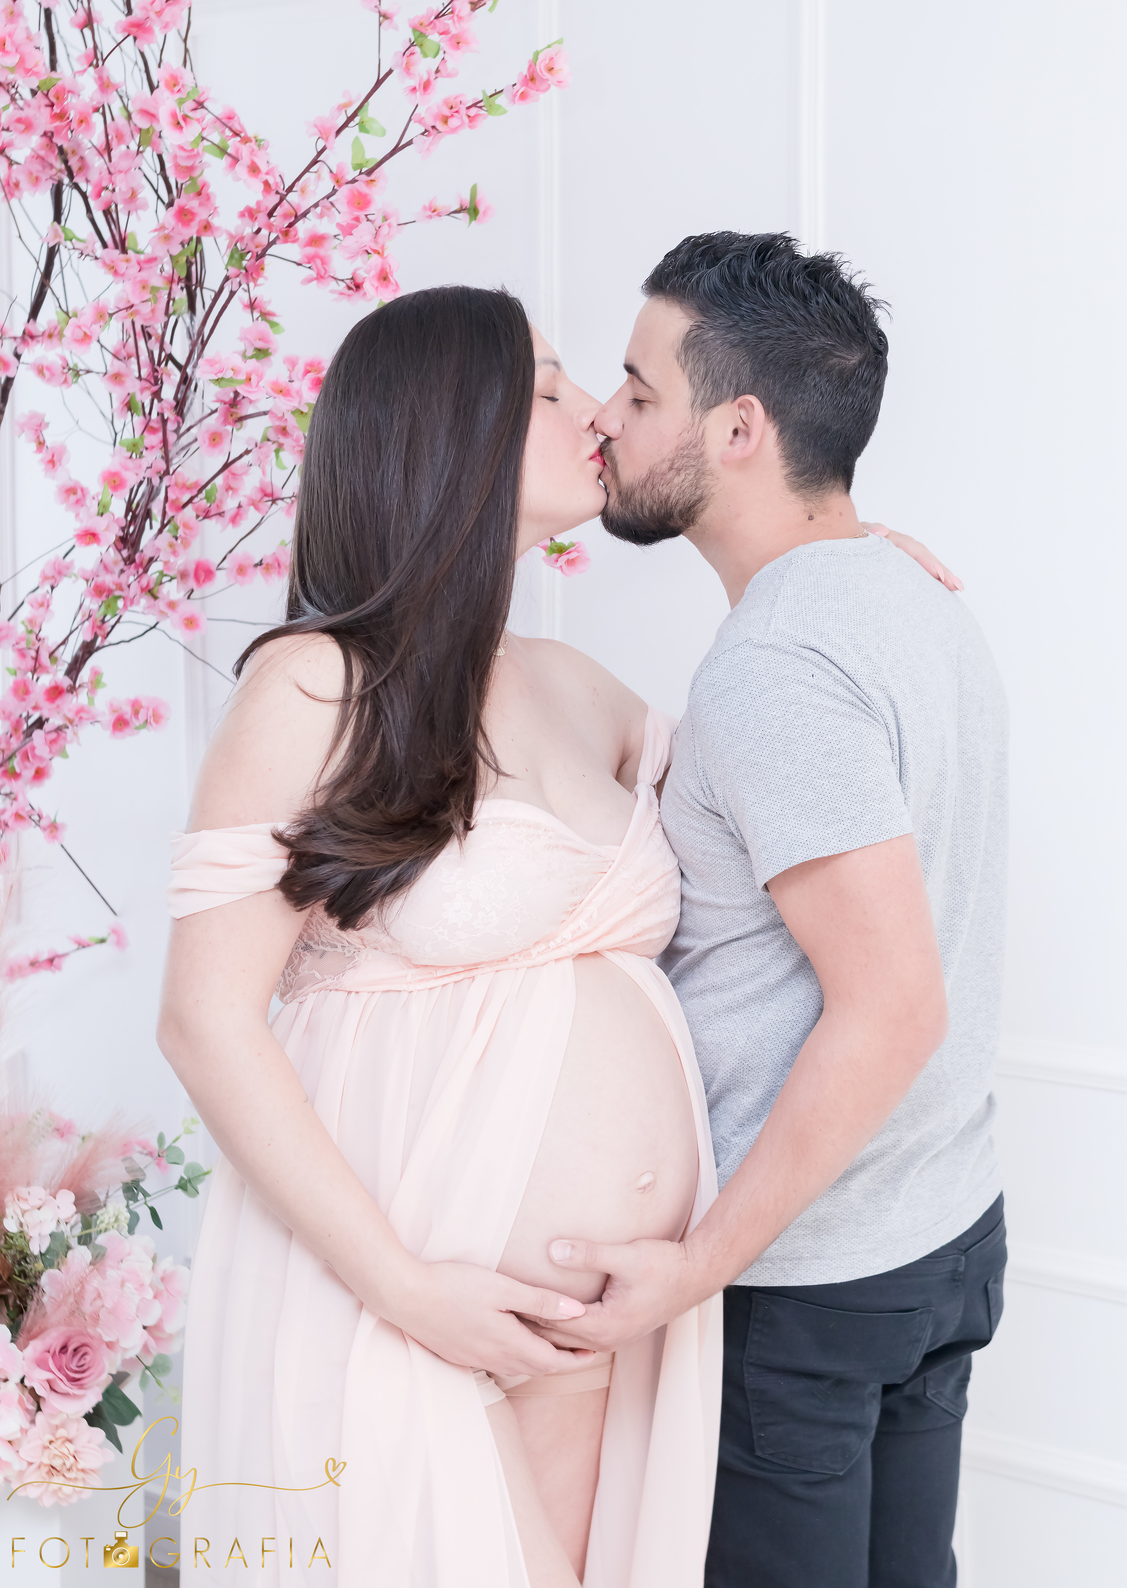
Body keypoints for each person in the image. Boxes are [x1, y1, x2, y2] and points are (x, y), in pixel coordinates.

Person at [157, 286, 724, 1588]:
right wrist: (408, 1288)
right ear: (444, 432)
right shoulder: (316, 684)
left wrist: (838, 578)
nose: (596, 411)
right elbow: (204, 1019)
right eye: (547, 387)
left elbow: (770, 794)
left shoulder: (581, 689)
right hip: (401, 1300)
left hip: (602, 1334)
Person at [540, 232, 1009, 1588]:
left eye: (637, 390)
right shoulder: (910, 593)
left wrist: (693, 1272)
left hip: (812, 1286)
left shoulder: (780, 663)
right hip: (935, 1235)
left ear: (737, 429)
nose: (607, 422)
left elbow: (891, 1008)